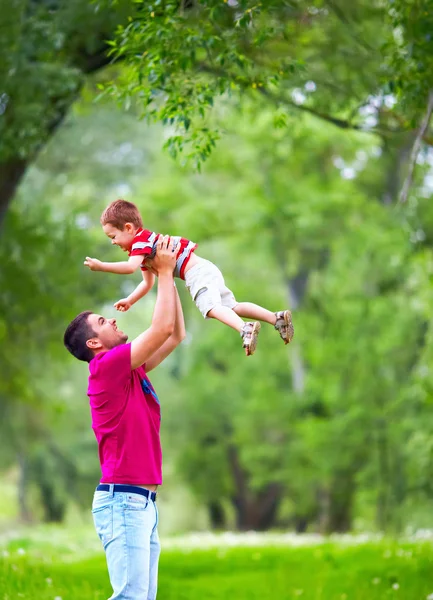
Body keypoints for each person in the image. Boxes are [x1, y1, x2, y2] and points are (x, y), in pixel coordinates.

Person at [64, 236, 184, 600]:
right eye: (103, 321)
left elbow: (175, 334)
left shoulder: (130, 372)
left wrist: (170, 275)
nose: (113, 319)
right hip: (124, 501)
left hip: (141, 501)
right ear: (94, 343)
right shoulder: (106, 368)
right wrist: (162, 272)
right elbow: (161, 329)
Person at [84, 199, 294, 356]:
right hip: (205, 268)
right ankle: (275, 318)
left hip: (196, 274)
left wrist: (102, 266)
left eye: (113, 237)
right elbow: (147, 283)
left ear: (128, 228)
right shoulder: (143, 249)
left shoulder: (140, 243)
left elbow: (130, 268)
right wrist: (130, 299)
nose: (113, 242)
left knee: (210, 308)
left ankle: (244, 328)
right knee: (232, 307)